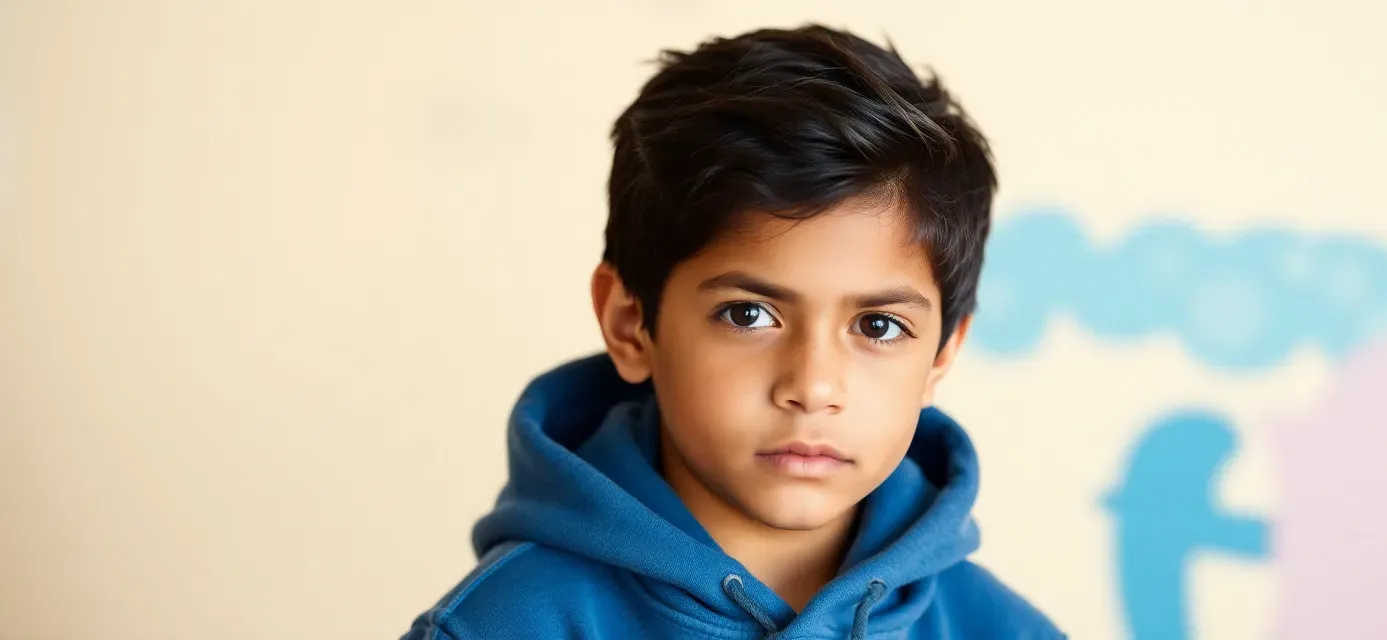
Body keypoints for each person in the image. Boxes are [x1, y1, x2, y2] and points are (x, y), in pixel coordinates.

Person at [402, 23, 1065, 640]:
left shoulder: (1003, 630)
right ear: (630, 323)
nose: (812, 386)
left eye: (879, 325)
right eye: (749, 314)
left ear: (944, 352)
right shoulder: (498, 627)